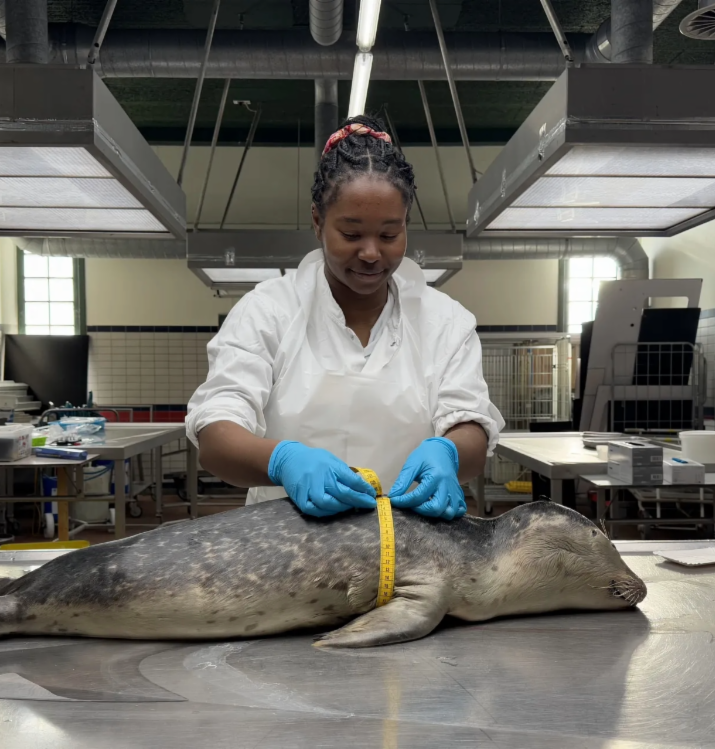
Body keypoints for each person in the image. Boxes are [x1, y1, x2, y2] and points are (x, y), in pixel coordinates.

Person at [185, 115, 503, 520]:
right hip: (288, 552)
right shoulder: (268, 312)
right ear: (318, 222)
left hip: (408, 544)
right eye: (351, 235)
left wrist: (448, 451)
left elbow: (472, 427)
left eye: (389, 235)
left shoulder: (445, 322)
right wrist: (282, 460)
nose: (371, 252)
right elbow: (217, 433)